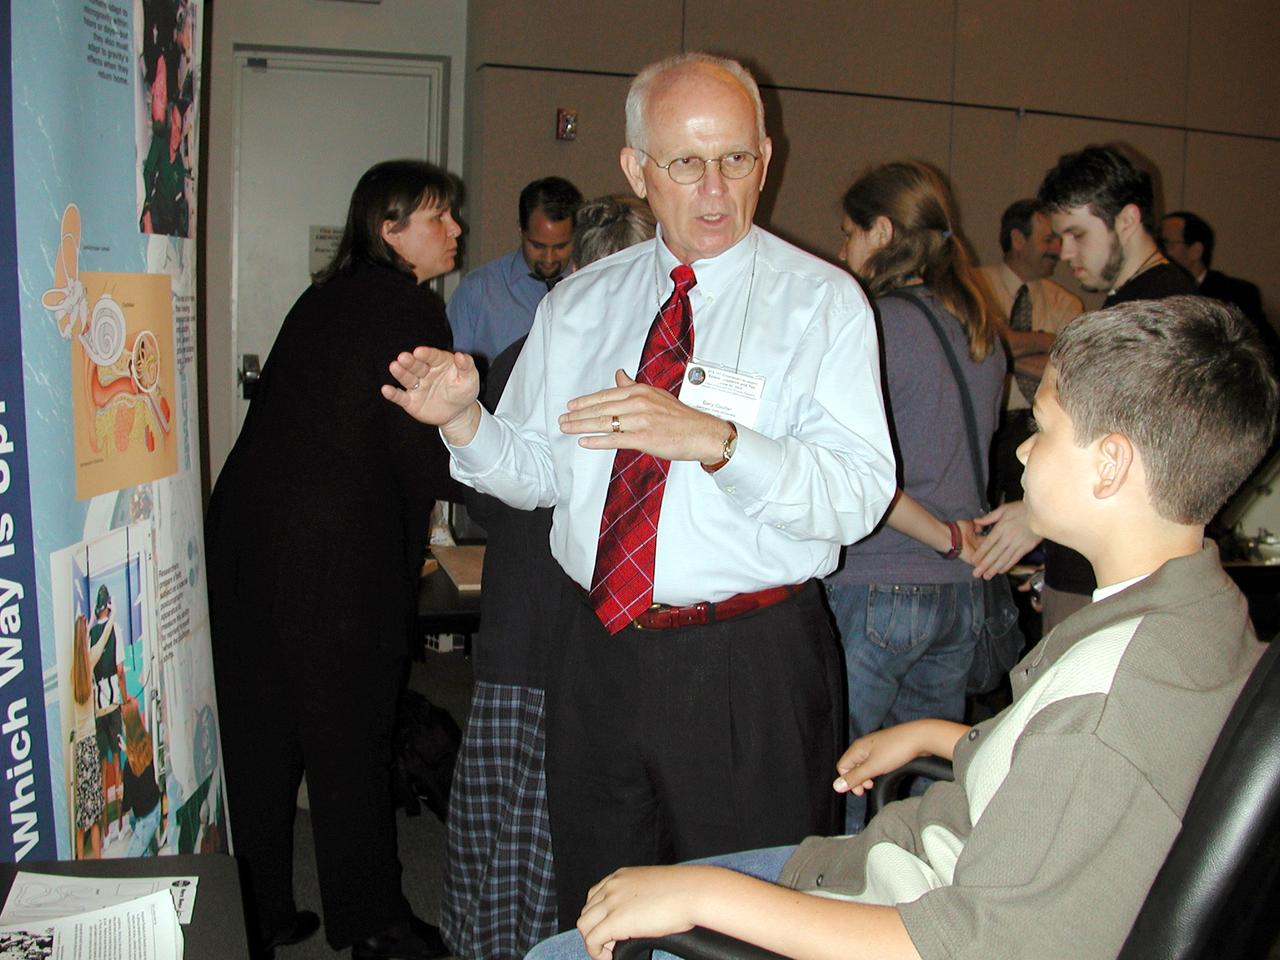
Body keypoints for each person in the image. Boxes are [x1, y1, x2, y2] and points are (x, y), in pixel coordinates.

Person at [527, 295, 1277, 960]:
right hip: (924, 862)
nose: (1021, 447)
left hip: (908, 906)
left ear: (1111, 465)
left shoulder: (1108, 704)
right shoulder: (1196, 610)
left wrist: (703, 899)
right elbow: (1056, 773)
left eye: (1043, 428)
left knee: (573, 946)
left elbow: (971, 943)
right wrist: (939, 737)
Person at [383, 52, 896, 929]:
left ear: (766, 159)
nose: (714, 189)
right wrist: (467, 423)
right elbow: (543, 474)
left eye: (736, 159)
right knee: (606, 907)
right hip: (599, 655)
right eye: (685, 162)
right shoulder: (580, 304)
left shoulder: (822, 304)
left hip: (750, 663)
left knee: (753, 921)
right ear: (635, 169)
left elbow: (857, 497)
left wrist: (714, 441)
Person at [206, 159, 461, 960]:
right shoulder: (412, 308)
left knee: (261, 734)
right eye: (437, 218)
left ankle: (259, 911)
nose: (455, 229)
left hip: (245, 541)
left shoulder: (319, 298)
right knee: (350, 735)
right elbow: (419, 454)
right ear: (389, 230)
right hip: (334, 557)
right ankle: (374, 925)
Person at [441, 195, 657, 960]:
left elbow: (479, 500)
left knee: (514, 832)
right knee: (535, 832)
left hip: (545, 631)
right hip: (552, 634)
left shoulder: (531, 351)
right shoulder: (563, 359)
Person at [825, 161, 1005, 832]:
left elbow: (862, 476)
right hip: (960, 593)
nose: (842, 251)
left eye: (848, 234)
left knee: (845, 776)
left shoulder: (874, 325)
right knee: (922, 798)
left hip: (880, 580)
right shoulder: (979, 326)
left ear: (883, 230)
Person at [972, 145, 1197, 632]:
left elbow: (1145, 461)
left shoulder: (1161, 309)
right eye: (1059, 236)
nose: (1064, 252)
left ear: (1128, 219)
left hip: (1118, 583)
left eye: (1077, 234)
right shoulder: (1136, 303)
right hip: (1096, 571)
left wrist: (1035, 516)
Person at [979, 199, 1083, 507]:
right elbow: (973, 349)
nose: (1058, 249)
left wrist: (999, 349)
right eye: (1048, 239)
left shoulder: (1068, 304)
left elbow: (1064, 372)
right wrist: (1046, 340)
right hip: (984, 423)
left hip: (1038, 430)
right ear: (1017, 239)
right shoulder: (973, 287)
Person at [447, 176, 583, 372]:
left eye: (561, 246)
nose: (549, 258)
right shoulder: (478, 290)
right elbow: (450, 372)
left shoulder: (589, 287)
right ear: (521, 229)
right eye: (537, 246)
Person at [1159, 210, 1274, 347]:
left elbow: (1264, 348)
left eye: (1166, 243)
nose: (1160, 252)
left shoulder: (1235, 294)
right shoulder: (1161, 292)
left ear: (1196, 251)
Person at [88, 585, 125, 835]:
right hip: (112, 704)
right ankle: (121, 825)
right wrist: (125, 697)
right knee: (117, 763)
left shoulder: (90, 634)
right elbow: (120, 670)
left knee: (101, 767)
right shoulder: (116, 630)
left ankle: (104, 832)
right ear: (110, 605)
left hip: (96, 709)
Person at [69, 614, 104, 859]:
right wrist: (107, 620)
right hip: (91, 743)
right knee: (95, 815)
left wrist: (86, 624)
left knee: (83, 812)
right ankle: (99, 863)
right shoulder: (90, 661)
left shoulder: (74, 673)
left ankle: (80, 861)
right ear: (85, 639)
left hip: (80, 747)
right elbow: (100, 643)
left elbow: (83, 642)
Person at [119, 697, 162, 857]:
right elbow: (140, 761)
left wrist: (121, 801)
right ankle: (150, 847)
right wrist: (127, 750)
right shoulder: (147, 740)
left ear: (126, 725)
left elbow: (127, 803)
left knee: (130, 864)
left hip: (145, 819)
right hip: (156, 806)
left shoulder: (129, 767)